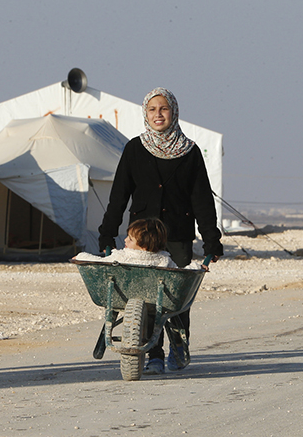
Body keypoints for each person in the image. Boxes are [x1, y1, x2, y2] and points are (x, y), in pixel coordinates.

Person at [98, 88, 223, 374]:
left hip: (178, 235)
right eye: (152, 109)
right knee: (143, 298)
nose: (158, 114)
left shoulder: (190, 153)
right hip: (142, 239)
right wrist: (107, 233)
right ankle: (153, 353)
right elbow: (118, 196)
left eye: (163, 109)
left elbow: (202, 200)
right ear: (145, 113)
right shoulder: (134, 149)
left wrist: (211, 241)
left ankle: (179, 345)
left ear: (174, 112)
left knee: (175, 300)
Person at [76, 218, 178, 268]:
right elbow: (180, 273)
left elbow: (99, 261)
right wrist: (194, 267)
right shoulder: (164, 259)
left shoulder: (123, 257)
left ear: (144, 246)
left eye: (130, 239)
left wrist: (81, 256)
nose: (125, 240)